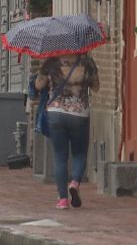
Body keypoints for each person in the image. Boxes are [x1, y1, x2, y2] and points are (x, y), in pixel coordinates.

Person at [34, 52, 99, 209]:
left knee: (60, 156)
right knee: (80, 153)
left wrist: (45, 76)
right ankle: (75, 182)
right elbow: (96, 87)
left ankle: (63, 199)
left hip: (56, 113)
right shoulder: (86, 60)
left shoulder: (52, 59)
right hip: (79, 113)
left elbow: (38, 85)